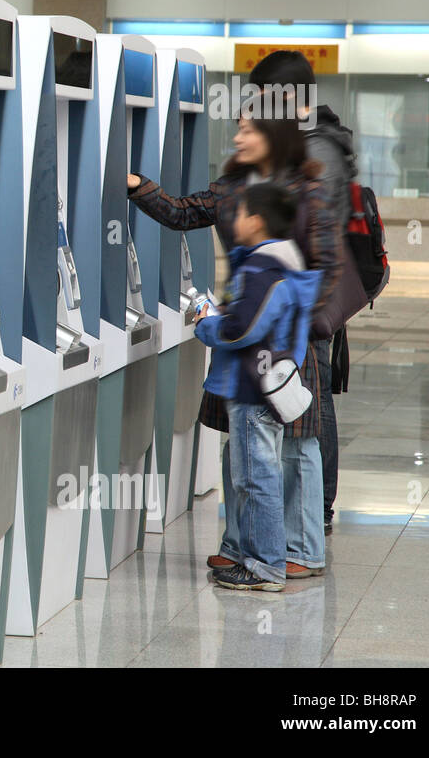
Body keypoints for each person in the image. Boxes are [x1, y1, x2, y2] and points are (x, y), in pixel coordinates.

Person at [127, 92, 342, 578]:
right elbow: (182, 213)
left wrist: (287, 320)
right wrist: (137, 185)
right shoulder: (232, 188)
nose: (238, 136)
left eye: (248, 128)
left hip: (287, 335)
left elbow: (328, 265)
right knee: (245, 445)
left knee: (293, 441)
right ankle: (244, 543)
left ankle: (299, 550)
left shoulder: (307, 189)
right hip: (247, 329)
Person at [193, 183, 321, 590]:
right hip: (267, 382)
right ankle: (254, 558)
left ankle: (264, 566)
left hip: (254, 387)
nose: (235, 219)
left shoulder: (263, 268)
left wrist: (206, 325)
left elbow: (243, 329)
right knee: (254, 474)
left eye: (243, 212)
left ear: (259, 221)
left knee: (256, 477)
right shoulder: (279, 263)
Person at [247, 51, 354, 535]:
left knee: (313, 405)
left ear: (290, 97)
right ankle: (308, 516)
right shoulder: (304, 144)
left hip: (306, 297)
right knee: (307, 402)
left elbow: (309, 233)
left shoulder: (321, 151)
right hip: (293, 293)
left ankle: (317, 514)